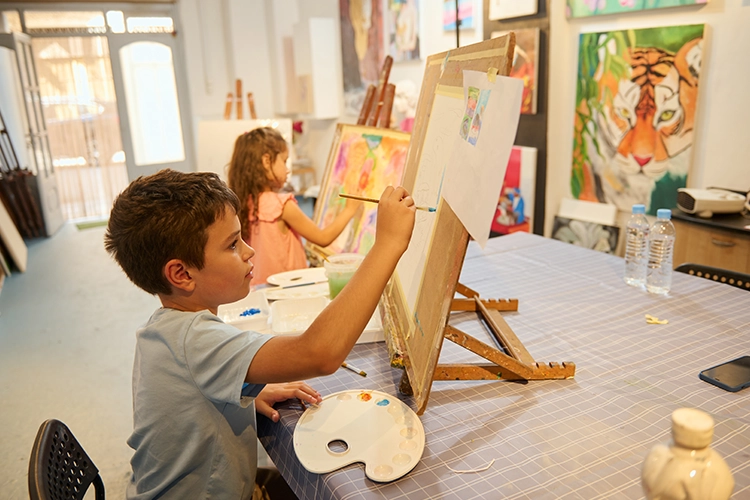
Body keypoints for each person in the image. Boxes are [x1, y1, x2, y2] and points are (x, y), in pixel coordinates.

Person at [104, 169, 415, 499]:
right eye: (232, 244)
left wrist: (239, 395)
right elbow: (320, 353)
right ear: (181, 274)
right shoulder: (194, 340)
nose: (249, 251)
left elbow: (186, 408)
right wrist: (388, 244)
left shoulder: (162, 330)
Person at [227, 127, 362, 285]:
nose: (287, 170)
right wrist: (350, 209)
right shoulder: (282, 205)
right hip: (290, 287)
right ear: (266, 161)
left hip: (259, 286)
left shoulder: (244, 203)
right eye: (284, 161)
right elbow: (323, 238)